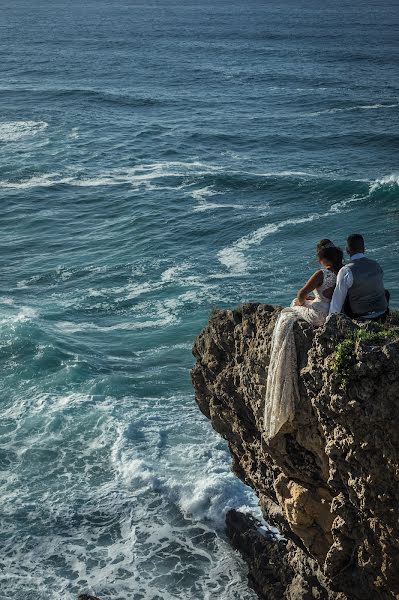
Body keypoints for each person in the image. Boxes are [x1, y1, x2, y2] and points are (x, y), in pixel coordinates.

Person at [264, 241, 343, 441]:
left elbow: (301, 295)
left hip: (320, 315)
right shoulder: (343, 271)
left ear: (322, 260)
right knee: (302, 305)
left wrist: (302, 301)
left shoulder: (321, 274)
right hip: (334, 312)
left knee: (288, 309)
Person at [329, 234, 389, 322]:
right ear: (364, 249)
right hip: (382, 312)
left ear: (347, 250)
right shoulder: (376, 265)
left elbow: (336, 302)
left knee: (344, 294)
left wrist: (331, 320)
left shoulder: (346, 270)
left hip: (362, 316)